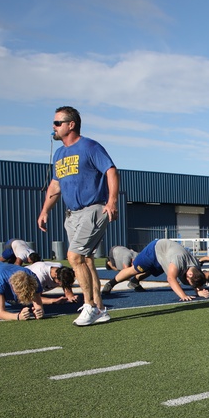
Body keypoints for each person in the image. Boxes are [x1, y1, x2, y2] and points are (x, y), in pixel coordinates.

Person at [37, 105, 119, 326]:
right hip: (72, 214)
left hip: (94, 209)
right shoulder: (59, 153)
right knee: (86, 260)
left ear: (70, 125)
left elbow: (111, 170)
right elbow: (55, 186)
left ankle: (90, 306)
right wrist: (45, 210)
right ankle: (100, 308)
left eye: (57, 123)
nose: (53, 127)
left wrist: (112, 201)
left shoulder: (90, 146)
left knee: (74, 257)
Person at [103, 238, 209, 300]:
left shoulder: (196, 267)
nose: (188, 283)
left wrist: (198, 291)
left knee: (151, 270)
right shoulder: (178, 260)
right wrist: (183, 295)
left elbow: (196, 280)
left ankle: (135, 282)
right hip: (154, 250)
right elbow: (171, 279)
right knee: (135, 270)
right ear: (190, 274)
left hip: (165, 255)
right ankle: (110, 284)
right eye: (189, 281)